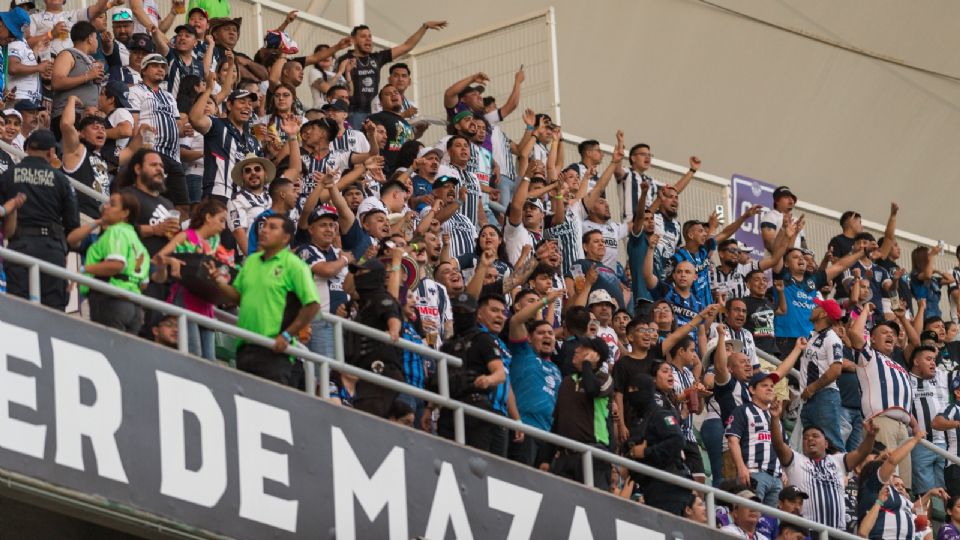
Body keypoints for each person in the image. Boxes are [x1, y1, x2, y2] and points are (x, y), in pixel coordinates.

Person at [207, 214, 319, 389]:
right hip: (244, 346)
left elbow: (312, 304)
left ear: (285, 238)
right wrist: (219, 283)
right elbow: (239, 297)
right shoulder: (251, 261)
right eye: (264, 226)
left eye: (272, 227)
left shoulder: (294, 265)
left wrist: (288, 334)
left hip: (274, 349)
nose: (264, 230)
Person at [770, 397, 879, 530]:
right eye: (805, 437)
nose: (810, 438)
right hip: (808, 531)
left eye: (815, 436)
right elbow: (778, 445)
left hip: (837, 533)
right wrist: (775, 418)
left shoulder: (837, 460)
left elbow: (861, 453)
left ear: (826, 443)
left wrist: (871, 436)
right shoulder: (796, 460)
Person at [0, 129, 80, 310]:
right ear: (51, 152)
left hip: (18, 247)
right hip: (52, 249)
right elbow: (73, 224)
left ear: (27, 148)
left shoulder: (7, 175)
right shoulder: (62, 180)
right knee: (52, 311)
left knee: (17, 310)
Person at [848, 302, 916, 492]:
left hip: (903, 427)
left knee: (904, 484)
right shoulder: (869, 356)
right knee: (887, 477)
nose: (890, 336)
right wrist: (867, 310)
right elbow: (854, 334)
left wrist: (915, 425)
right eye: (884, 332)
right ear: (872, 339)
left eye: (893, 334)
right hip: (882, 420)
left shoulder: (899, 364)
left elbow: (901, 397)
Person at [153, 199, 231, 360]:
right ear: (208, 217)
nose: (223, 227)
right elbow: (157, 258)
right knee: (193, 355)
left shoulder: (216, 244)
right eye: (221, 220)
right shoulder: (185, 236)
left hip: (205, 304)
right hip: (185, 300)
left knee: (209, 360)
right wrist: (172, 261)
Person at [437, 292, 507, 453]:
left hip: (476, 407)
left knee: (476, 460)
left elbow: (500, 373)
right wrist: (430, 408)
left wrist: (487, 380)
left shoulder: (482, 339)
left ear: (475, 314)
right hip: (450, 408)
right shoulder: (449, 345)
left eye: (466, 312)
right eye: (458, 312)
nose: (462, 316)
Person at [70, 192, 150, 333]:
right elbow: (143, 284)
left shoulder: (116, 232)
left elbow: (117, 265)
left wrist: (84, 269)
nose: (104, 207)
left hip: (110, 301)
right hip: (135, 309)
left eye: (112, 204)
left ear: (125, 213)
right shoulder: (137, 242)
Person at [340, 21, 447, 126]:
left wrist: (424, 27)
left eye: (370, 36)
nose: (368, 39)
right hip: (353, 113)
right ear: (353, 39)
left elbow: (406, 46)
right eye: (363, 36)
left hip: (373, 115)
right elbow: (335, 86)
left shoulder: (376, 58)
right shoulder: (344, 60)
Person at [506, 291, 564, 466]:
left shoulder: (556, 369)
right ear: (529, 338)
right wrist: (545, 301)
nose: (547, 336)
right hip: (524, 430)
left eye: (550, 333)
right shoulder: (523, 353)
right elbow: (516, 321)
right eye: (541, 333)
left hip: (549, 439)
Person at [623, 370, 693, 515]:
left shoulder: (660, 415)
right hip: (651, 487)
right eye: (629, 390)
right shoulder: (638, 420)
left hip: (670, 487)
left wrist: (646, 452)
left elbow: (677, 440)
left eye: (634, 389)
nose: (630, 393)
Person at [128, 52, 190, 211]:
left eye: (163, 67)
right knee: (153, 201)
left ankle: (176, 236)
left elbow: (178, 128)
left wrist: (185, 129)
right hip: (151, 152)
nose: (160, 69)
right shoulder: (136, 91)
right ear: (143, 70)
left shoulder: (169, 97)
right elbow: (134, 124)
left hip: (174, 157)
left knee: (182, 206)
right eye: (155, 66)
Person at [726, 371, 783, 507]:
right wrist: (741, 467)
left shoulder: (776, 417)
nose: (770, 388)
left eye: (771, 386)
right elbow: (732, 440)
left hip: (776, 478)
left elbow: (782, 446)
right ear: (752, 390)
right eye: (764, 385)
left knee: (770, 524)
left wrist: (784, 472)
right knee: (751, 515)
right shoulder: (742, 410)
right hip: (754, 472)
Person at [856, 430, 926, 539]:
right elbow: (892, 461)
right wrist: (915, 440)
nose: (884, 463)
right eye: (879, 461)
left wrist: (931, 493)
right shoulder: (872, 484)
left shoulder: (893, 492)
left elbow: (916, 509)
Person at [798, 297, 846, 450]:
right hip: (810, 399)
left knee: (832, 444)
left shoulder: (833, 339)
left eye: (817, 306)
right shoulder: (814, 335)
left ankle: (842, 474)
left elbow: (836, 370)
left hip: (824, 396)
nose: (813, 308)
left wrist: (811, 388)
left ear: (823, 314)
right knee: (812, 447)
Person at [60, 96, 110, 218]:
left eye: (103, 129)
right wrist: (71, 100)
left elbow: (131, 151)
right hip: (82, 217)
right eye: (95, 127)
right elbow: (66, 124)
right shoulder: (78, 151)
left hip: (99, 221)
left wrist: (142, 133)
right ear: (81, 133)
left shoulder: (103, 159)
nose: (101, 131)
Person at [51, 20, 103, 139]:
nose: (97, 42)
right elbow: (56, 82)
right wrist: (88, 76)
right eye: (96, 38)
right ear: (90, 38)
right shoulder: (67, 55)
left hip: (88, 117)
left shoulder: (90, 61)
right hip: (69, 117)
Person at [910, 345, 950, 496]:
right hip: (921, 444)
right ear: (916, 361)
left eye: (934, 359)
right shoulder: (905, 380)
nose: (933, 363)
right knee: (925, 492)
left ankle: (944, 520)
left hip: (942, 444)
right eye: (928, 359)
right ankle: (926, 520)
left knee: (945, 493)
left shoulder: (937, 379)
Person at [760, 186, 806, 253]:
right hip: (776, 262)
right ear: (777, 201)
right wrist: (784, 228)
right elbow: (770, 246)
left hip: (794, 261)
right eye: (786, 197)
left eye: (792, 198)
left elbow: (804, 248)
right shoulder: (770, 216)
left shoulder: (796, 220)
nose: (791, 201)